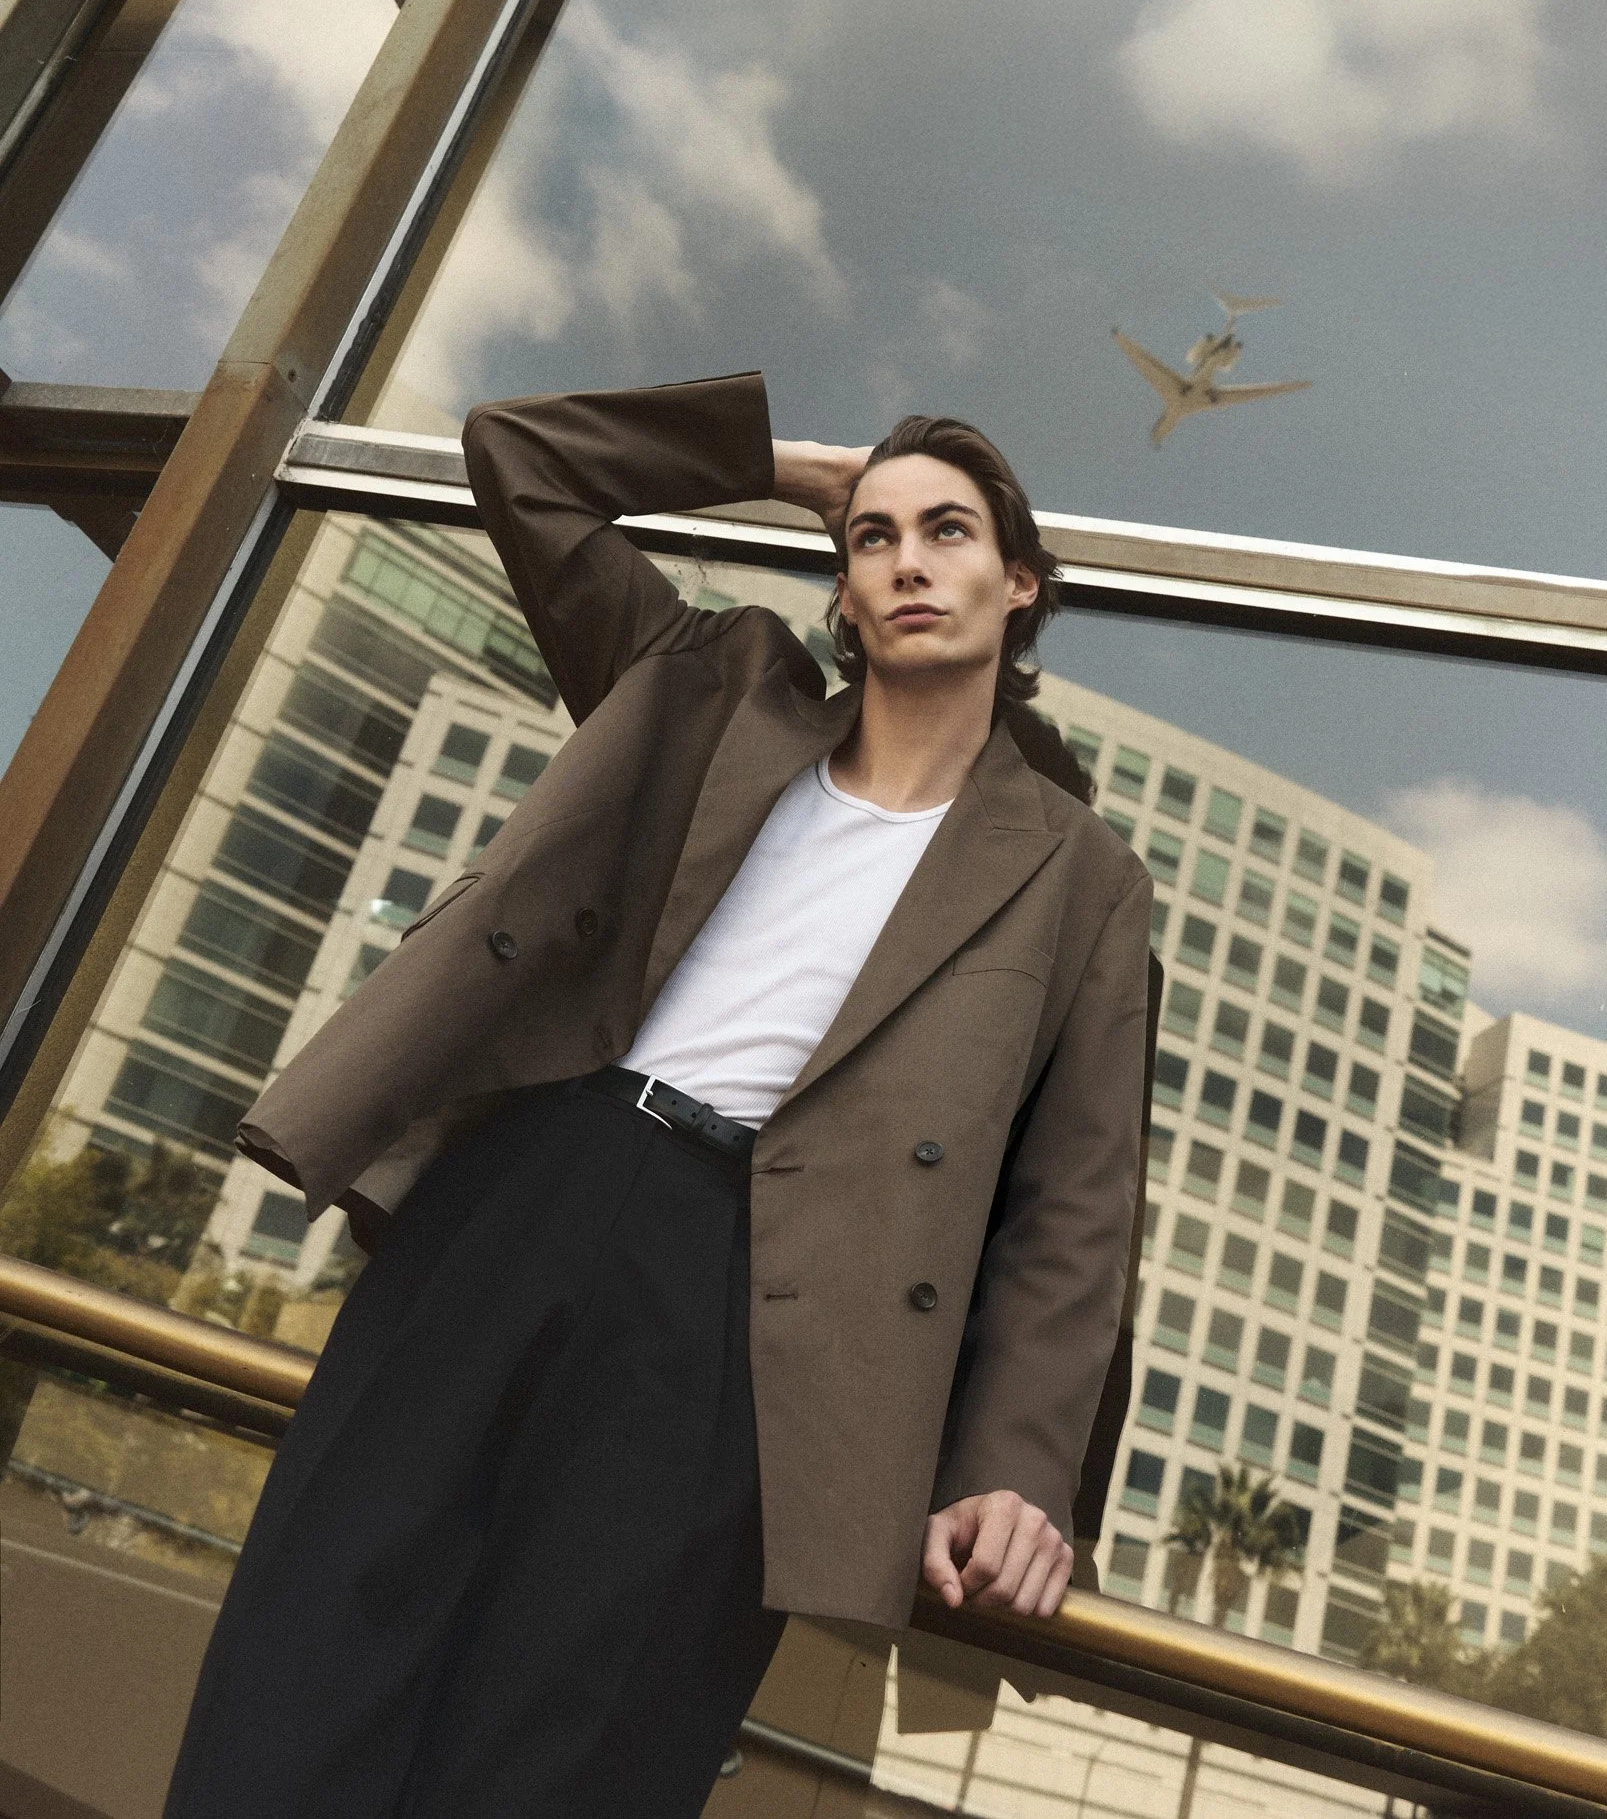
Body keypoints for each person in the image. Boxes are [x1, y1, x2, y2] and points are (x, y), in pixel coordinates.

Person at [162, 372, 1154, 1819]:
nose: (905, 559)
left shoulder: (1079, 875)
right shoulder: (712, 688)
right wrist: (776, 464)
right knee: (323, 1616)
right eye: (871, 538)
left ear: (1020, 585)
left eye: (947, 531)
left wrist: (1014, 1465)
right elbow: (522, 463)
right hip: (534, 1185)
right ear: (839, 594)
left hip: (768, 1300)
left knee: (577, 1732)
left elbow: (1078, 1199)